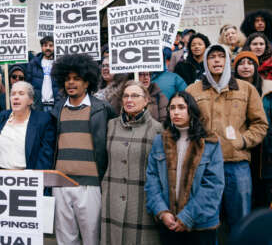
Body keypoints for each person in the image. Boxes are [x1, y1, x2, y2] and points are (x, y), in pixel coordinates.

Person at [186, 44, 268, 229]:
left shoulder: (246, 88)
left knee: (240, 221)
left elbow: (260, 124)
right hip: (204, 165)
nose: (216, 60)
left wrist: (244, 140)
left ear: (228, 60)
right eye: (212, 57)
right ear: (206, 61)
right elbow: (186, 124)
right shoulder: (193, 90)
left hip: (237, 164)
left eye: (221, 56)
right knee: (206, 221)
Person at [50, 53, 116, 245]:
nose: (71, 83)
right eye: (67, 79)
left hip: (91, 186)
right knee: (65, 238)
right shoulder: (57, 110)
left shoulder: (102, 109)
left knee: (92, 238)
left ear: (87, 83)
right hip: (61, 184)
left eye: (77, 79)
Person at [145, 91, 224, 245]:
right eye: (172, 108)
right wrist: (162, 212)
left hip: (201, 225)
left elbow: (214, 185)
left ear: (191, 110)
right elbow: (152, 180)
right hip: (170, 223)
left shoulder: (209, 142)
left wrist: (187, 217)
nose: (176, 112)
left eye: (181, 107)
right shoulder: (160, 141)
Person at [101, 80, 162, 245]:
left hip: (142, 201)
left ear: (146, 100)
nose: (129, 100)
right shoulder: (110, 125)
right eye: (126, 96)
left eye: (135, 96)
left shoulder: (158, 130)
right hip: (112, 198)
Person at [233, 51, 272, 207]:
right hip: (240, 147)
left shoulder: (268, 89)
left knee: (263, 194)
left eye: (250, 63)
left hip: (265, 148)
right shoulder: (230, 89)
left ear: (256, 67)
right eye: (241, 63)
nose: (246, 67)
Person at [0, 81, 55, 171]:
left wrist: (35, 180)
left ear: (31, 100)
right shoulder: (3, 116)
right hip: (0, 178)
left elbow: (45, 158)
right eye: (13, 94)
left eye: (21, 94)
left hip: (27, 179)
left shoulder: (43, 120)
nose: (16, 97)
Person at [26, 36, 59, 112]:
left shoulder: (59, 63)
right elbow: (28, 85)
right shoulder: (33, 63)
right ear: (41, 47)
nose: (48, 48)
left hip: (55, 105)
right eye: (45, 45)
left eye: (51, 45)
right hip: (38, 105)